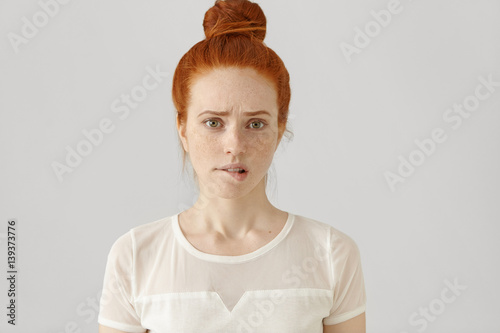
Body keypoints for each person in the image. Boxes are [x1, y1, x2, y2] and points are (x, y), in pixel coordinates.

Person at [97, 0, 366, 332]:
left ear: (280, 130)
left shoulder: (331, 254)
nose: (234, 146)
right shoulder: (136, 256)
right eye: (213, 123)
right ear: (183, 128)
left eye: (255, 124)